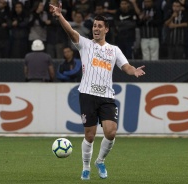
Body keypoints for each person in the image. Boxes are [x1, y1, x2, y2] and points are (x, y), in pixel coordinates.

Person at [50, 3, 146, 180]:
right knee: (90, 135)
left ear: (106, 30)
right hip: (87, 94)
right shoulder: (85, 45)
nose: (96, 28)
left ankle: (100, 161)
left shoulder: (114, 50)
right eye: (94, 25)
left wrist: (134, 71)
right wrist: (59, 16)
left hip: (107, 96)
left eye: (100, 26)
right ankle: (86, 167)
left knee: (111, 132)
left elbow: (126, 67)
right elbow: (70, 31)